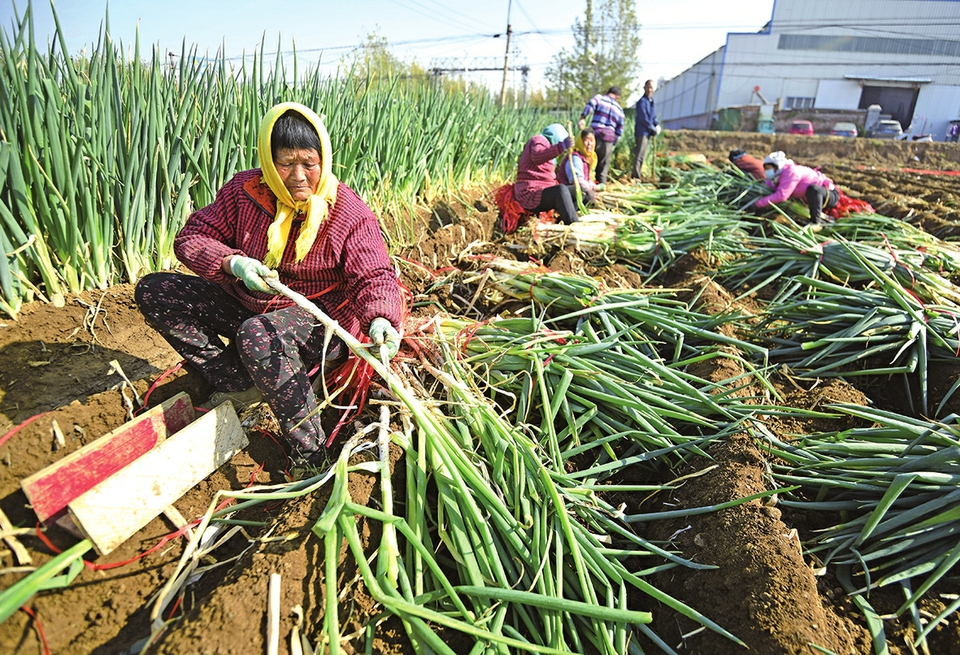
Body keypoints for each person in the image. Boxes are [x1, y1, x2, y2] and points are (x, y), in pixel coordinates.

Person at [135, 102, 403, 467]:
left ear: (324, 159)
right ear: (267, 160)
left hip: (318, 325)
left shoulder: (348, 213)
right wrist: (233, 263)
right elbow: (192, 237)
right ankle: (234, 379)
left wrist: (381, 317)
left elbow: (374, 275)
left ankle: (311, 454)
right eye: (285, 163)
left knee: (258, 334)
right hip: (250, 306)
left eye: (309, 163)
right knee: (157, 290)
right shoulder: (243, 193)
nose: (298, 176)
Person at [512, 123, 579, 225]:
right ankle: (573, 225)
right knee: (560, 190)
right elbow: (538, 156)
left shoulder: (550, 149)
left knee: (581, 192)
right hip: (530, 192)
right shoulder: (538, 140)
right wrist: (562, 146)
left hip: (544, 190)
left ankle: (562, 218)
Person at [756, 151, 839, 224]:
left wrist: (758, 203)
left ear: (776, 166)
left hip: (829, 196)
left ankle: (815, 222)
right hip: (811, 200)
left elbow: (781, 196)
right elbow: (770, 185)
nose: (767, 172)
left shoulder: (790, 172)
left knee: (813, 190)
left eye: (769, 168)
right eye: (766, 169)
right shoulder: (777, 176)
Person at [578, 86, 625, 184]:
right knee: (603, 168)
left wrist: (583, 117)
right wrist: (613, 143)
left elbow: (590, 105)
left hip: (595, 136)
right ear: (617, 97)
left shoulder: (600, 98)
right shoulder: (619, 109)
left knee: (589, 163)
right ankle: (600, 190)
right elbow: (620, 130)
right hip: (609, 140)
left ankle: (586, 187)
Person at [556, 127, 602, 205]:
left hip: (577, 189)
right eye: (586, 140)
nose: (590, 144)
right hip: (566, 192)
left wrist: (594, 186)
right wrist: (593, 189)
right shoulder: (575, 158)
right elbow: (577, 181)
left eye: (592, 140)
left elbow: (586, 179)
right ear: (580, 141)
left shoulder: (586, 158)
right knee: (589, 196)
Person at [632, 80, 660, 181]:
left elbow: (653, 116)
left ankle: (638, 175)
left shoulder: (651, 102)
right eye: (648, 87)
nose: (649, 90)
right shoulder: (642, 102)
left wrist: (656, 124)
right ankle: (635, 176)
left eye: (651, 88)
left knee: (643, 155)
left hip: (647, 132)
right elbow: (644, 118)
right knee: (639, 155)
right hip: (642, 132)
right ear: (644, 88)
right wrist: (652, 128)